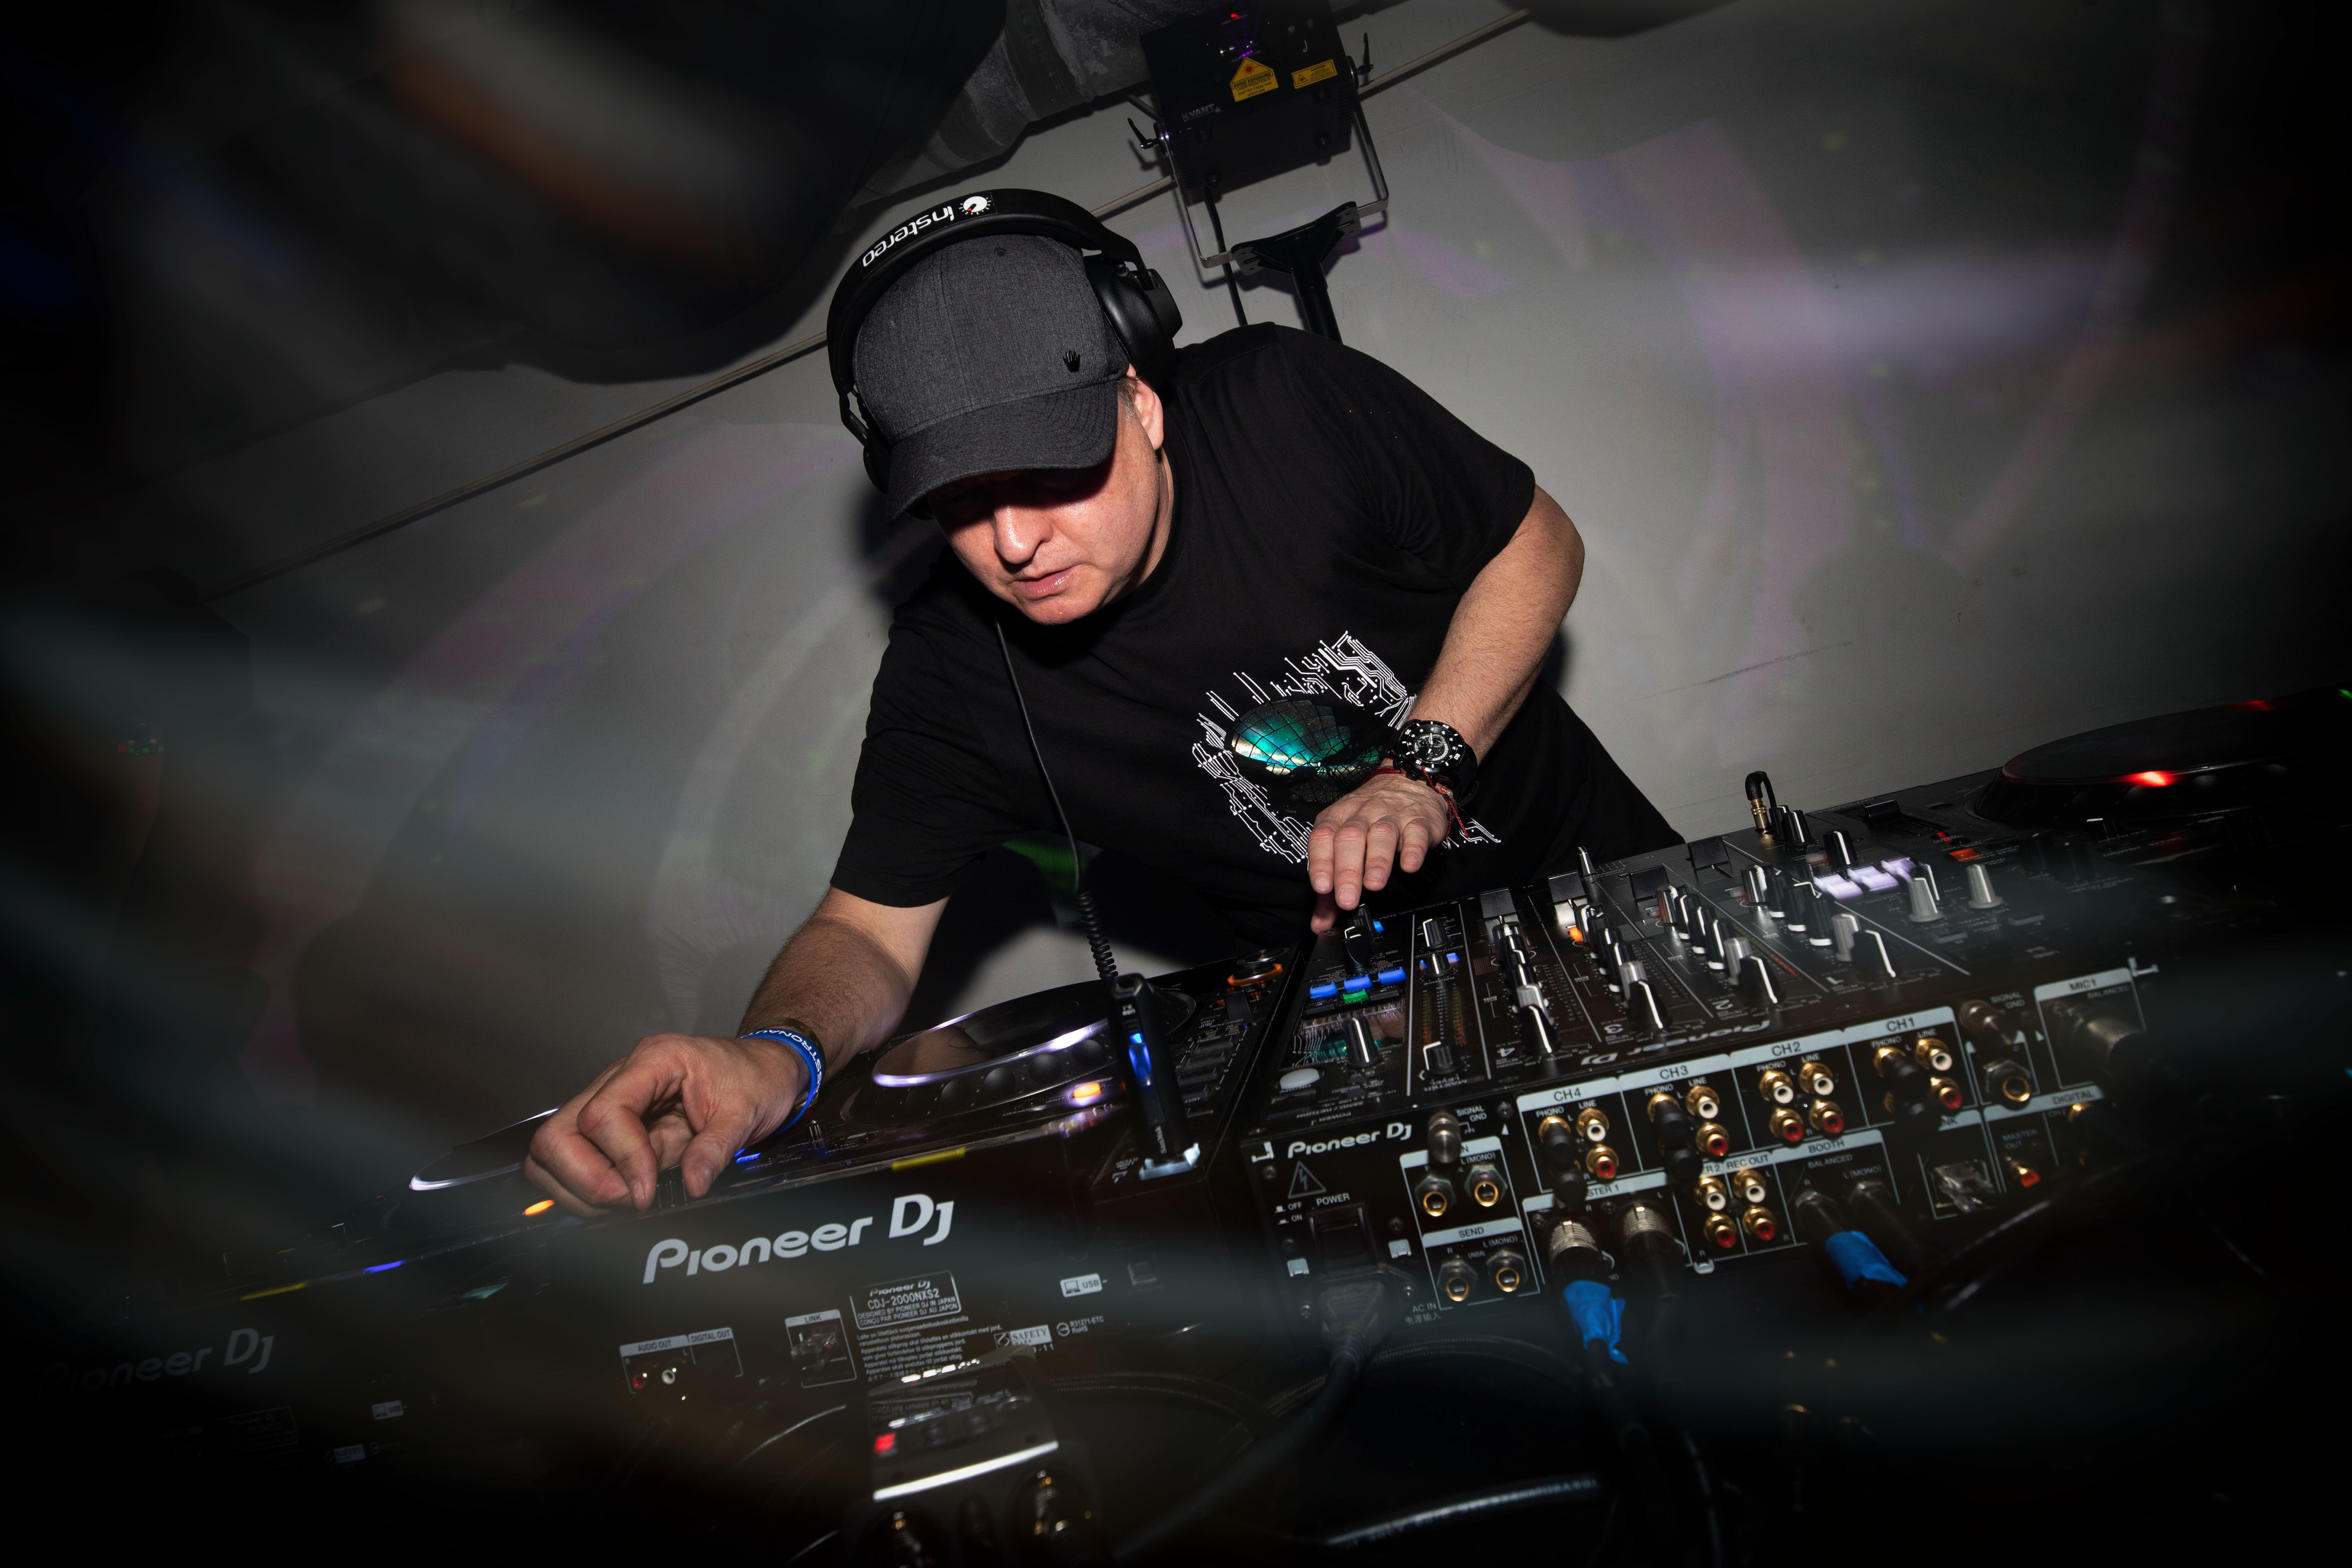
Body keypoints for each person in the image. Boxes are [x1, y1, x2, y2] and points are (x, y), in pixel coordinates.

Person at [526, 195, 1676, 1214]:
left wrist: (1421, 765)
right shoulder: (953, 673)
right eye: (959, 499)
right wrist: (776, 1055)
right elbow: (865, 931)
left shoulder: (1286, 404)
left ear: (1141, 402)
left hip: (1603, 885)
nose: (1012, 542)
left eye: (1046, 472)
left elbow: (1534, 542)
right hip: (1345, 1016)